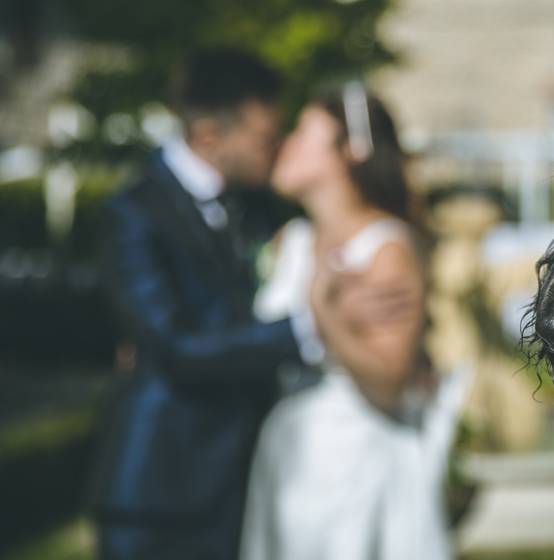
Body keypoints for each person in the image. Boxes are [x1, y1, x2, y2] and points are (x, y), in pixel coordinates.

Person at [91, 51, 403, 560]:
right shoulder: (133, 213)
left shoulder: (261, 207)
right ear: (212, 135)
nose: (277, 147)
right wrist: (313, 325)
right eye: (264, 136)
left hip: (247, 478)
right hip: (159, 485)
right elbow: (174, 347)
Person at [240, 86, 467, 560]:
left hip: (355, 463)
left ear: (349, 153)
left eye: (305, 134)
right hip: (289, 455)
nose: (287, 143)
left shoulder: (386, 250)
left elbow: (388, 382)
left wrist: (325, 313)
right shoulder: (292, 240)